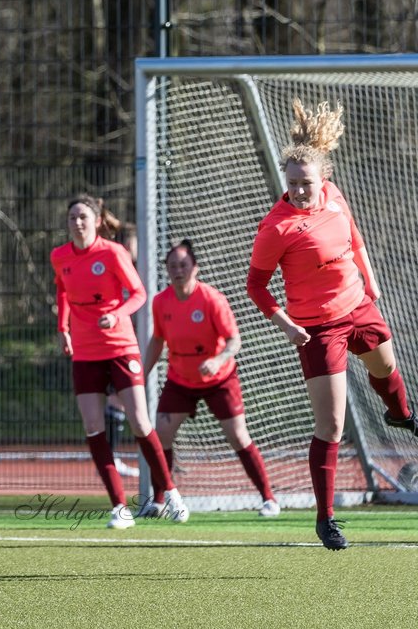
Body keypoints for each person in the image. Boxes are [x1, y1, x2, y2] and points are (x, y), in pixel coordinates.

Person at [247, 99, 418, 550]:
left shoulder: (335, 196)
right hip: (316, 328)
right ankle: (326, 519)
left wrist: (371, 277)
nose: (301, 191)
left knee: (386, 370)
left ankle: (402, 416)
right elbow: (256, 287)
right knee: (332, 427)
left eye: (307, 183)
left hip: (358, 306)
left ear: (322, 180)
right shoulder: (276, 228)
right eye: (293, 184)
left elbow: (355, 236)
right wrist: (285, 325)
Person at [51, 194, 188, 529]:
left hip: (120, 347)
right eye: (72, 217)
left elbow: (139, 293)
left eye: (83, 217)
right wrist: (63, 329)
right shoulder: (60, 256)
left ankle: (170, 493)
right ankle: (119, 507)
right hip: (85, 352)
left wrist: (115, 314)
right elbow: (63, 292)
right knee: (93, 427)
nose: (77, 222)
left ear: (97, 221)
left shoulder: (112, 253)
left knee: (141, 422)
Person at [145, 240, 279, 518]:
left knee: (238, 435)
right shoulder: (161, 301)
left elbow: (234, 341)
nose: (178, 270)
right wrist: (140, 374)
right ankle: (158, 501)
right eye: (172, 266)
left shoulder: (211, 299)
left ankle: (269, 499)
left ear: (195, 267)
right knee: (162, 433)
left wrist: (217, 360)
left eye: (183, 265)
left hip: (220, 379)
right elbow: (157, 340)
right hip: (180, 379)